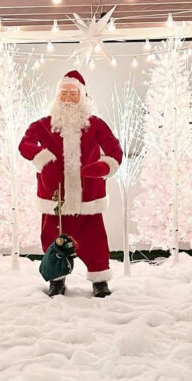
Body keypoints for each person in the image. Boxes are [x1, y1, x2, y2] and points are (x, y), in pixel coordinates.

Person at [19, 70, 123, 297]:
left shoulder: (95, 125)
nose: (67, 97)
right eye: (63, 93)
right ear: (57, 97)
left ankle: (99, 281)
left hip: (89, 198)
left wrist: (104, 166)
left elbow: (114, 151)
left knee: (95, 240)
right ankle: (56, 279)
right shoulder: (43, 125)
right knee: (52, 240)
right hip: (54, 197)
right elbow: (25, 145)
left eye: (72, 93)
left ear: (82, 96)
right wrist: (44, 160)